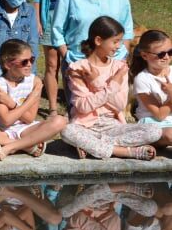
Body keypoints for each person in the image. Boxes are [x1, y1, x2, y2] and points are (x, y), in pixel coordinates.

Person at [61, 16, 161, 160]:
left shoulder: (119, 67)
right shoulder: (77, 68)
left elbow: (119, 104)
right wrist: (111, 85)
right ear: (98, 41)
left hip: (113, 127)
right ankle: (125, 151)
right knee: (67, 131)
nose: (119, 46)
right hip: (85, 127)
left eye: (120, 41)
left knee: (154, 131)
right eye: (115, 41)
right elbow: (83, 107)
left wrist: (96, 83)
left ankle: (92, 147)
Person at [51, 0, 134, 95]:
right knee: (81, 112)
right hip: (80, 62)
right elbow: (57, 30)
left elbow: (127, 25)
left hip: (113, 63)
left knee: (112, 112)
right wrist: (68, 57)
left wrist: (123, 54)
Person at [0, 39, 67, 160]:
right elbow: (6, 121)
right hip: (1, 131)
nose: (30, 64)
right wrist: (33, 97)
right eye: (24, 62)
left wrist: (11, 102)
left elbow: (29, 118)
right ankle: (27, 146)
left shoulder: (34, 81)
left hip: (26, 129)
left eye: (31, 59)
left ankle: (10, 147)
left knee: (60, 121)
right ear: (8, 64)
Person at [33, 0, 82, 116]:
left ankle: (75, 105)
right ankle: (53, 107)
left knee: (73, 64)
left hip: (75, 22)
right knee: (52, 64)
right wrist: (37, 21)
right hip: (51, 18)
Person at [130, 30, 172, 146]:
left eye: (170, 52)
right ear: (144, 55)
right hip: (153, 122)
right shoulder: (142, 79)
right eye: (161, 54)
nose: (167, 57)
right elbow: (159, 115)